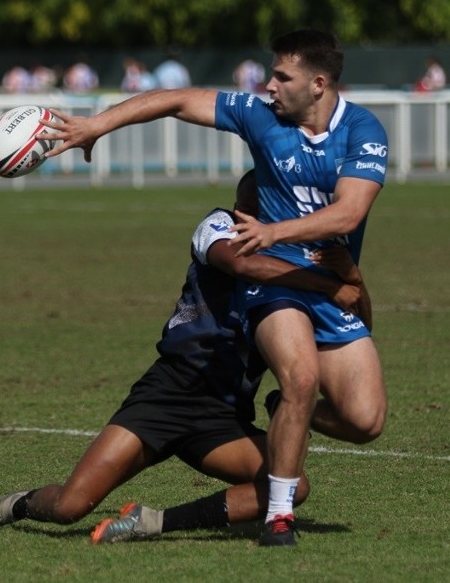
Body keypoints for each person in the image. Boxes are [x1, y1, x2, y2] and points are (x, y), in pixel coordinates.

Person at [40, 29, 388, 546]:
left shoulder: (363, 129)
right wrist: (98, 125)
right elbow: (175, 100)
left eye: (281, 76)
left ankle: (282, 414)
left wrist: (279, 232)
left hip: (324, 280)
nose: (268, 85)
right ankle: (277, 519)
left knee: (365, 420)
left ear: (318, 84)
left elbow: (350, 211)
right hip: (275, 285)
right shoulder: (260, 117)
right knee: (300, 376)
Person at [0, 171, 369, 543]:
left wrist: (350, 276)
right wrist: (323, 283)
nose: (256, 221)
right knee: (69, 507)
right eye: (256, 212)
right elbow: (240, 265)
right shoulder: (217, 225)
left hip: (221, 417)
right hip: (165, 396)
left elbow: (356, 324)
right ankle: (17, 504)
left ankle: (153, 522)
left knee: (292, 487)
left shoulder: (296, 266)